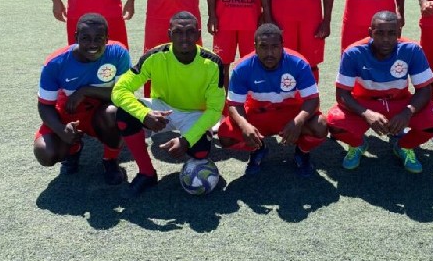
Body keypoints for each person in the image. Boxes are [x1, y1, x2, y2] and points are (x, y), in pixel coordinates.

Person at [112, 11, 226, 198]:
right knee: (124, 115)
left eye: (190, 32)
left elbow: (215, 109)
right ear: (169, 34)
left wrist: (186, 140)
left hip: (195, 114)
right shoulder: (155, 56)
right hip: (162, 109)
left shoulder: (213, 62)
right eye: (178, 32)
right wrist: (143, 114)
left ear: (198, 34)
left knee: (200, 152)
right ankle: (147, 173)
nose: (184, 38)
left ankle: (194, 159)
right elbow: (119, 90)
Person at [327, 11, 433, 173]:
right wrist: (366, 113)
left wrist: (407, 112)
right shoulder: (353, 52)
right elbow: (342, 95)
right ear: (370, 32)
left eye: (392, 33)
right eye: (380, 33)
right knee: (334, 122)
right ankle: (357, 145)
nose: (386, 39)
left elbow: (424, 89)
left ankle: (404, 146)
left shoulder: (412, 49)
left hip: (399, 103)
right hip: (365, 103)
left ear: (399, 33)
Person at [218, 23, 327, 176]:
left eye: (275, 46)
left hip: (290, 114)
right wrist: (244, 125)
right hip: (258, 114)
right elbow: (234, 105)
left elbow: (312, 99)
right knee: (225, 134)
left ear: (282, 46)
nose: (269, 53)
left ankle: (302, 152)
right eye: (263, 46)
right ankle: (258, 148)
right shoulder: (242, 67)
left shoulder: (298, 63)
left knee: (320, 126)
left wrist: (298, 121)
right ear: (255, 47)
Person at [34, 13, 130, 185]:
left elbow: (123, 94)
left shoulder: (118, 53)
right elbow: (44, 106)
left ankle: (110, 160)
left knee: (113, 113)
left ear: (107, 38)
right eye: (86, 38)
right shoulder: (55, 63)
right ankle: (74, 149)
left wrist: (85, 91)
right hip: (68, 113)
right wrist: (60, 129)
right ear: (76, 37)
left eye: (99, 38)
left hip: (100, 113)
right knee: (45, 153)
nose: (92, 44)